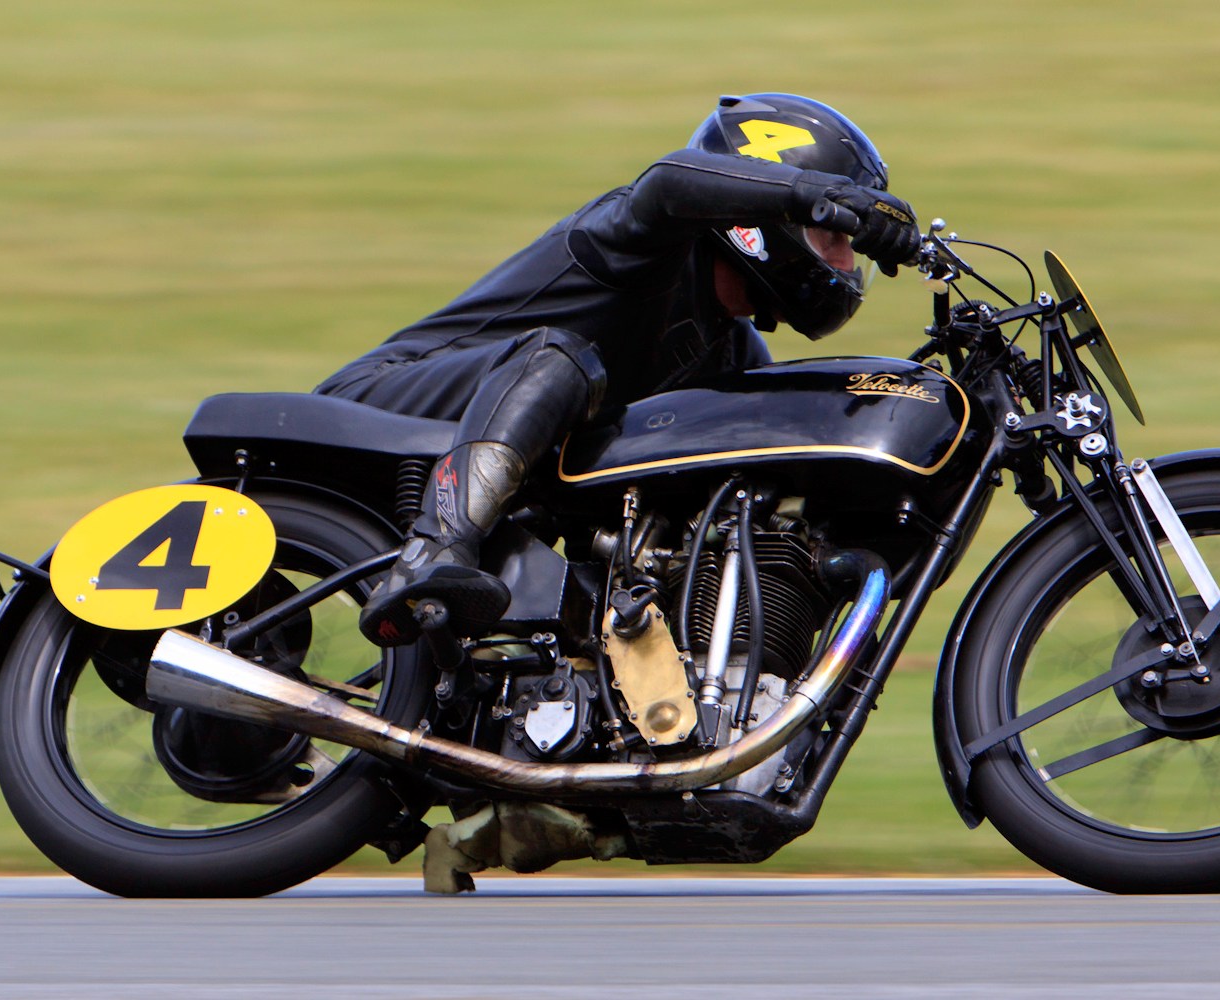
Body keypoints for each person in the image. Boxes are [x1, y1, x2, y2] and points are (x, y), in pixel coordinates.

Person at [315, 93, 921, 647]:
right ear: (763, 217)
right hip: (375, 407)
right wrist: (819, 191)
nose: (845, 260)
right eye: (831, 234)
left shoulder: (733, 356)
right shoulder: (643, 242)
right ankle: (433, 552)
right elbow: (668, 181)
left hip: (489, 472)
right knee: (563, 358)